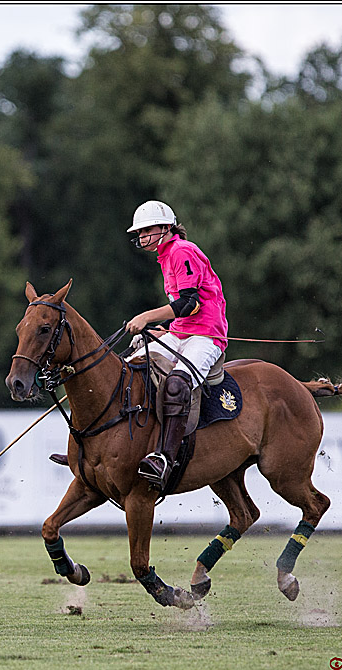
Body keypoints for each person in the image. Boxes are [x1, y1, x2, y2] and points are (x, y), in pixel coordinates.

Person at [123, 199, 229, 490]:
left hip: (206, 335)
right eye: (140, 232)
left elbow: (188, 304)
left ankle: (165, 458)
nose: (142, 236)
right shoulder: (165, 255)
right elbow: (181, 312)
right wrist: (164, 331)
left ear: (166, 228)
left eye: (148, 230)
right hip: (181, 332)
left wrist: (146, 317)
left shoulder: (182, 250)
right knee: (129, 366)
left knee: (177, 384)